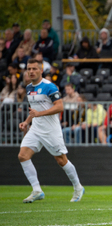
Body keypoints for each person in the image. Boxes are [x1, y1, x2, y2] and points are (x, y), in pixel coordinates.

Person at [18, 59, 84, 203]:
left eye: (34, 69)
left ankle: (78, 187)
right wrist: (27, 122)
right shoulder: (29, 88)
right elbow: (34, 110)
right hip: (36, 128)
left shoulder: (50, 86)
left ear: (41, 70)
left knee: (61, 160)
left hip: (50, 130)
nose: (31, 71)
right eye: (29, 69)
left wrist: (38, 115)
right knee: (23, 156)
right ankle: (37, 190)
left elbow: (59, 107)